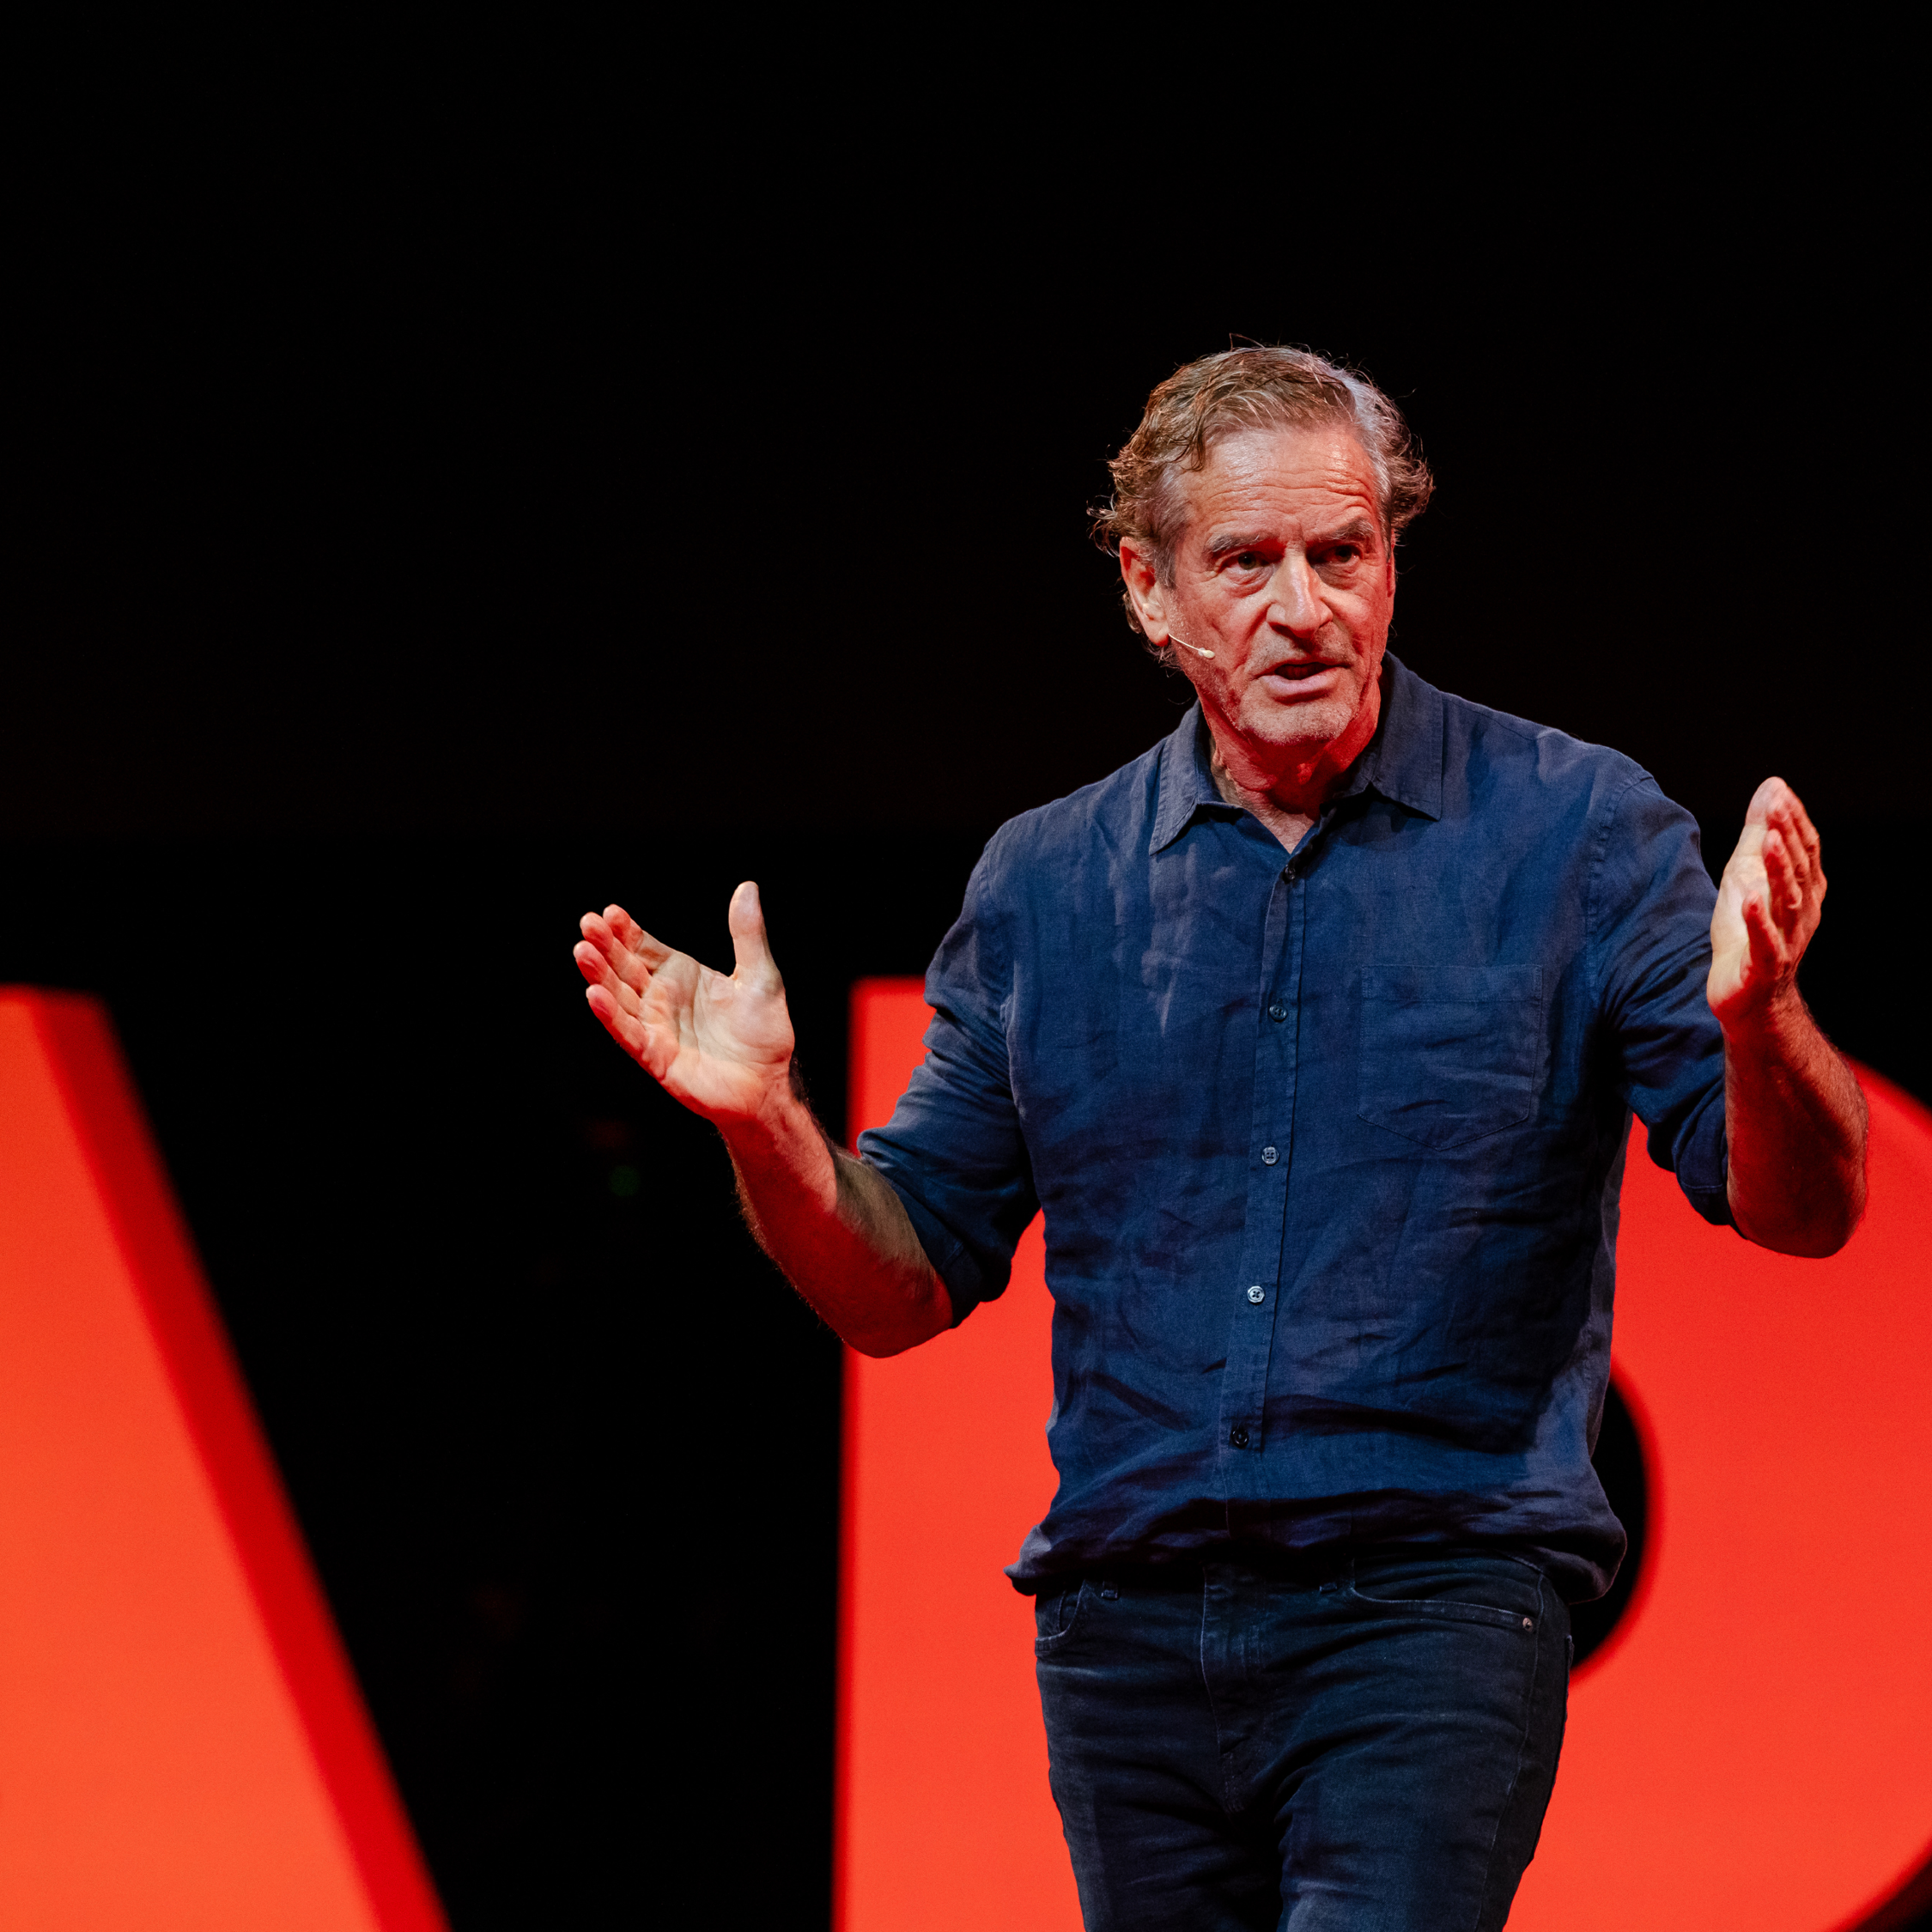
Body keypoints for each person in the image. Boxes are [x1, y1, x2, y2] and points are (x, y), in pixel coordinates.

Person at [571, 347, 1866, 1930]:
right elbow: (899, 1286)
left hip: (1432, 1604)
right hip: (1125, 1631)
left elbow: (1801, 1208)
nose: (1305, 608)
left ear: (1391, 559)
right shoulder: (1046, 883)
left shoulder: (1577, 832)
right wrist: (768, 1127)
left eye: (1344, 552)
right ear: (1148, 589)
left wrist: (1759, 1017)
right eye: (1247, 563)